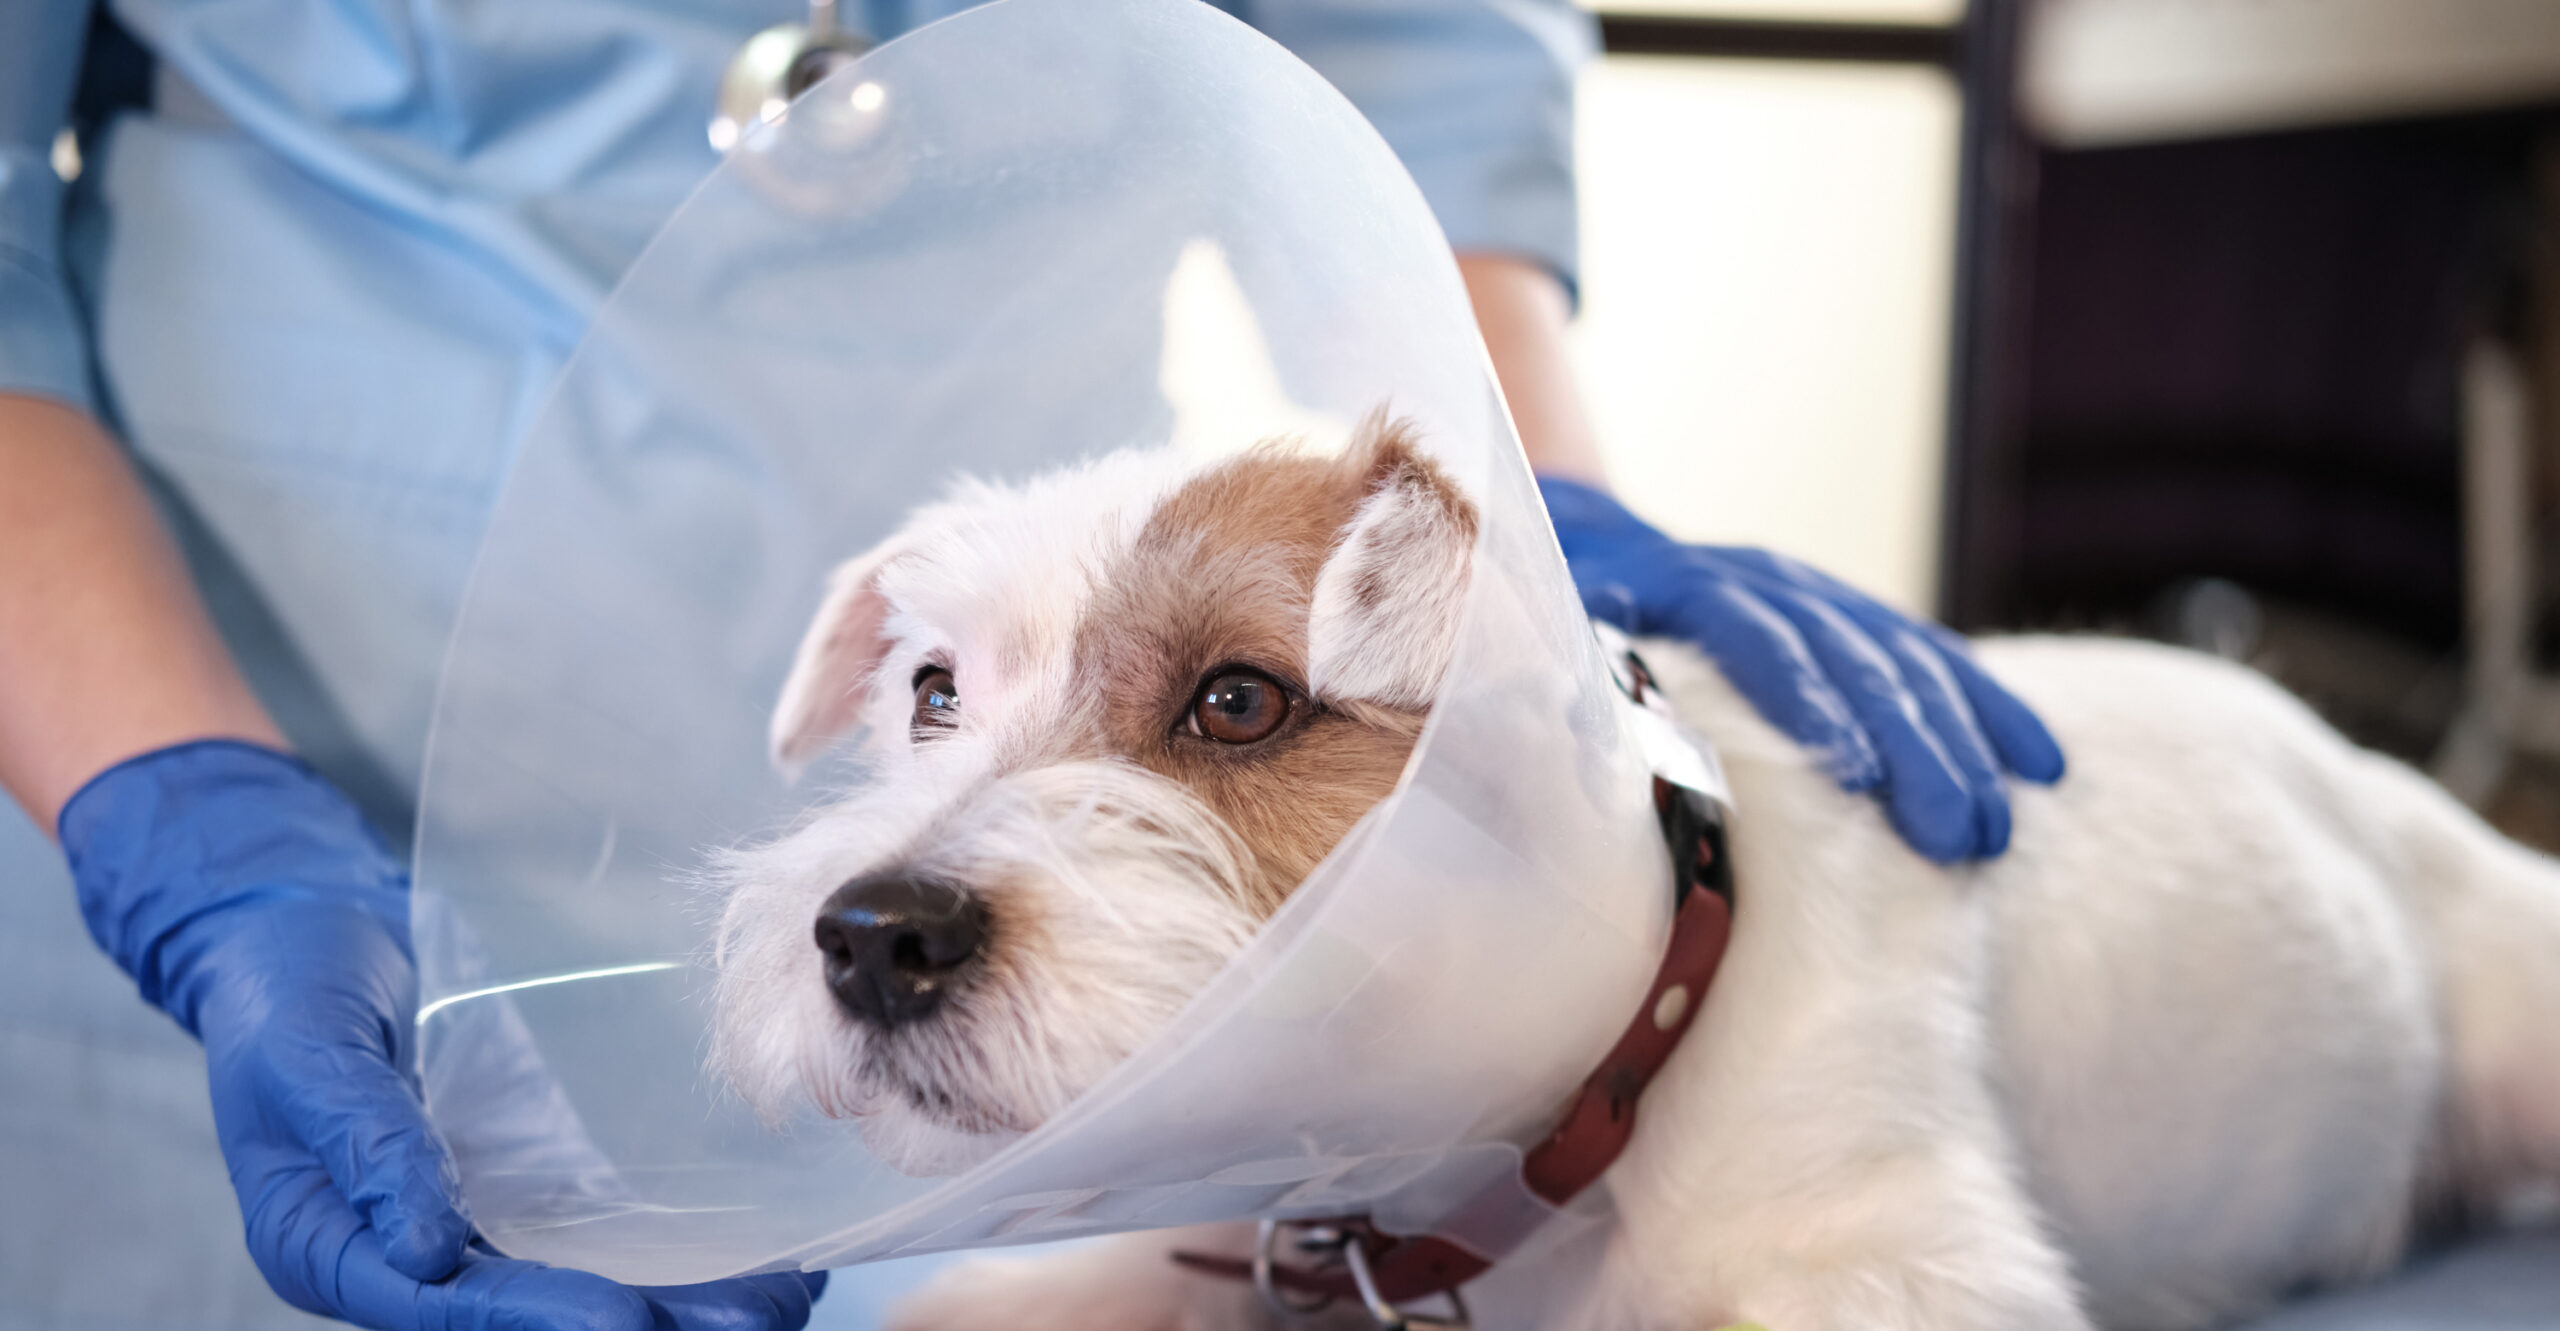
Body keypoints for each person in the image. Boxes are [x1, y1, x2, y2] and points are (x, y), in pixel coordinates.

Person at [0, 1, 2062, 1328]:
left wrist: (1513, 539)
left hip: (1088, 832)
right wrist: (192, 835)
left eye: (1241, 702)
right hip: (195, 660)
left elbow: (1409, 62)